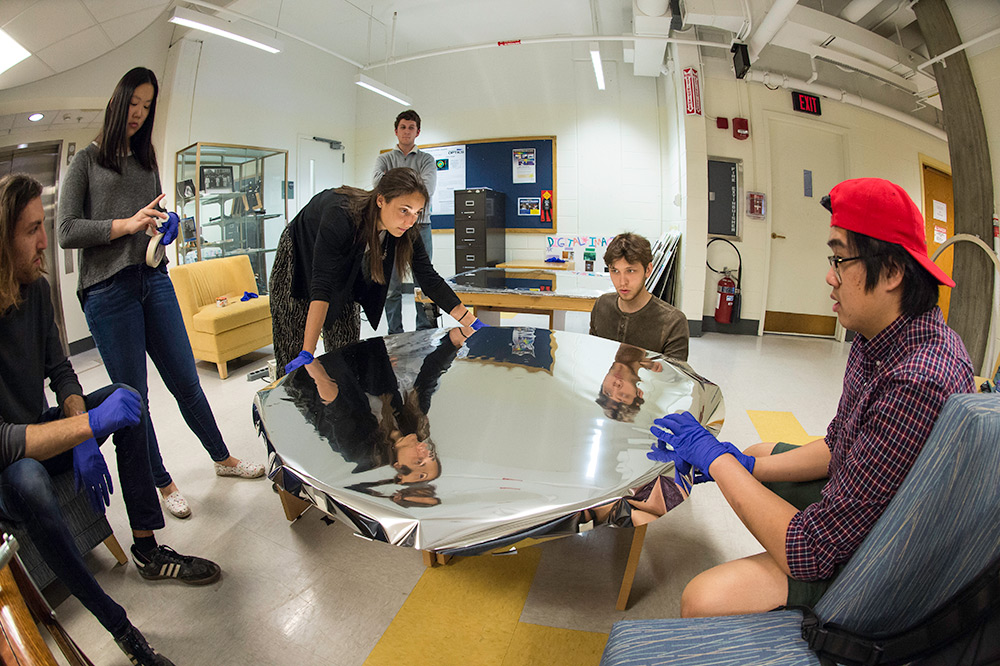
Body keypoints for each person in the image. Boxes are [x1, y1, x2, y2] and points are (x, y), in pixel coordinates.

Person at [647, 178, 975, 617]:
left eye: (840, 259)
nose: (829, 275)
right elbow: (840, 442)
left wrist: (716, 460)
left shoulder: (916, 381)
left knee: (704, 599)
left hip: (896, 556)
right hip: (872, 498)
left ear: (894, 272)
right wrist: (744, 465)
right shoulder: (879, 334)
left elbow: (813, 550)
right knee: (758, 453)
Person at [0, 173, 224, 666]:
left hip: (43, 428)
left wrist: (80, 420)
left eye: (45, 226)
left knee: (125, 395)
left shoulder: (35, 290)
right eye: (32, 229)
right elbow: (4, 441)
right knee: (31, 479)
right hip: (10, 464)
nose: (45, 242)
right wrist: (83, 429)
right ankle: (123, 631)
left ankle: (147, 547)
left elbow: (61, 370)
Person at [58, 67, 264, 520]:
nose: (139, 113)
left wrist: (166, 226)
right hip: (107, 291)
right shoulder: (86, 162)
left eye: (148, 106)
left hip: (152, 279)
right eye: (134, 103)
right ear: (118, 101)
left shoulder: (146, 160)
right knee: (136, 396)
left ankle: (222, 458)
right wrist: (126, 225)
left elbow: (151, 217)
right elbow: (66, 230)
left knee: (187, 381)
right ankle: (163, 481)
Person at [270, 166, 484, 377]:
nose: (410, 221)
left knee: (346, 349)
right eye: (404, 210)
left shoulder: (406, 229)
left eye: (417, 213)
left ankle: (345, 403)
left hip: (344, 265)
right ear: (381, 200)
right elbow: (322, 284)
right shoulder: (341, 215)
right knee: (294, 344)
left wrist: (470, 322)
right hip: (298, 254)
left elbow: (428, 278)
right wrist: (308, 352)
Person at [373, 110, 438, 334]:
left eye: (411, 127)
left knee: (424, 281)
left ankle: (426, 331)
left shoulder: (427, 160)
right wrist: (412, 185)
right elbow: (378, 186)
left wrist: (396, 190)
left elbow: (426, 190)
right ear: (396, 130)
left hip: (422, 226)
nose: (407, 131)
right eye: (403, 127)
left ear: (417, 132)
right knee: (390, 285)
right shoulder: (384, 159)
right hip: (390, 227)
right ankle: (395, 333)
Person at [589, 232, 688, 361]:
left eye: (630, 271)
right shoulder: (601, 305)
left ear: (648, 270)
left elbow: (673, 378)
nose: (622, 282)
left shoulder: (673, 322)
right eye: (615, 271)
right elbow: (593, 356)